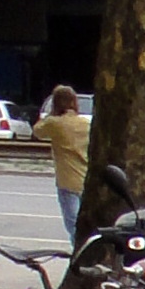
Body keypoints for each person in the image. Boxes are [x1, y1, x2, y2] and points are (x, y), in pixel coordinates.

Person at [32, 84, 91, 244]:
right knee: (86, 222)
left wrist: (50, 114)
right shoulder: (85, 123)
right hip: (85, 177)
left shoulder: (54, 123)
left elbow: (37, 131)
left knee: (72, 224)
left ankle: (79, 254)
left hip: (67, 180)